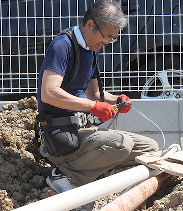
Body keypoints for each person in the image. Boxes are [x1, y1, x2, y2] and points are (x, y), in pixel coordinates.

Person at [37, 0, 159, 194]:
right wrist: (91, 106)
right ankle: (63, 174)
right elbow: (49, 92)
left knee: (150, 147)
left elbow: (94, 94)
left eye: (112, 39)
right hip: (61, 136)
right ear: (90, 25)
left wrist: (117, 100)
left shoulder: (91, 50)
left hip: (82, 131)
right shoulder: (62, 45)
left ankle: (93, 171)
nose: (107, 43)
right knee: (122, 144)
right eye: (107, 37)